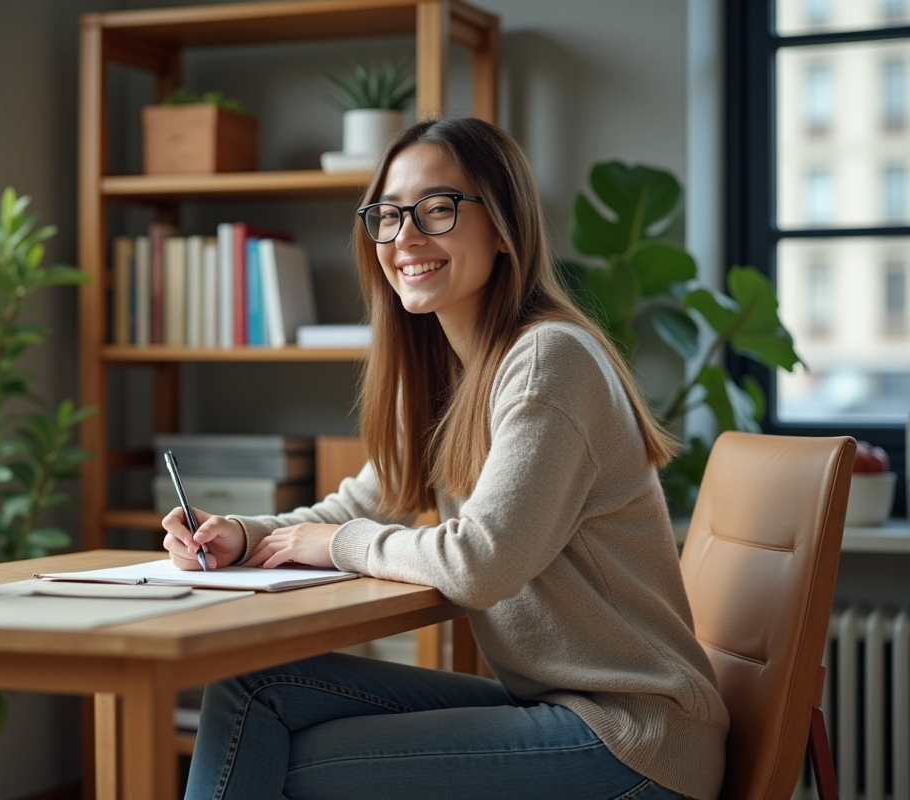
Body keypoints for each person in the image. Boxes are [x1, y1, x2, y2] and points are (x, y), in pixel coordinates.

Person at [161, 117, 728, 800]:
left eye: (436, 209)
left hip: (635, 739)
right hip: (557, 710)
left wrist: (336, 544)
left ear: (502, 226)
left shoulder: (550, 360)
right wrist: (247, 535)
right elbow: (363, 503)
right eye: (389, 215)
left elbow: (481, 561)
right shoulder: (452, 374)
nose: (405, 238)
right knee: (254, 694)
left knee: (289, 761)